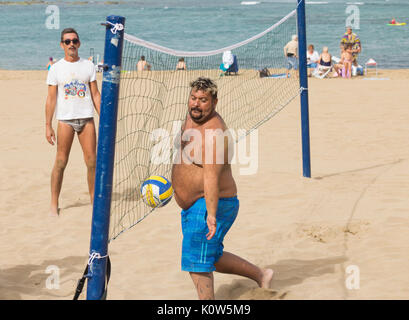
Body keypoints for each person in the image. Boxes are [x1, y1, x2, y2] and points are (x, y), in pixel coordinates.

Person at [171, 77, 273, 300]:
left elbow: (210, 179)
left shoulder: (215, 135)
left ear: (215, 102)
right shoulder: (191, 116)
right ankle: (261, 275)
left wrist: (212, 215)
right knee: (211, 255)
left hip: (212, 202)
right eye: (193, 98)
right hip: (194, 204)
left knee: (197, 261)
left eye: (203, 100)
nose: (196, 104)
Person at [45, 28, 101, 216]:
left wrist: (104, 117)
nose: (71, 44)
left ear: (79, 43)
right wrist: (47, 125)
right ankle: (54, 203)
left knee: (92, 161)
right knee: (61, 161)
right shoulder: (56, 69)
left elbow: (95, 94)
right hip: (65, 121)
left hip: (86, 119)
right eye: (67, 41)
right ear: (62, 45)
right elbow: (51, 99)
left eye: (74, 41)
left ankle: (94, 200)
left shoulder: (88, 66)